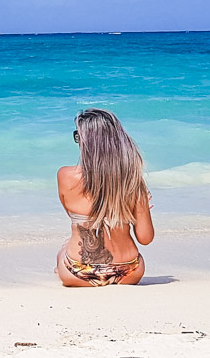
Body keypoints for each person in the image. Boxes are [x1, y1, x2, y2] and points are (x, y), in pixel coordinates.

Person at [55, 107, 153, 287]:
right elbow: (145, 238)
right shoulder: (132, 181)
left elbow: (74, 216)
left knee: (63, 250)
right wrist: (141, 207)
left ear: (86, 142)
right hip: (128, 272)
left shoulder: (66, 176)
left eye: (78, 136)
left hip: (77, 272)